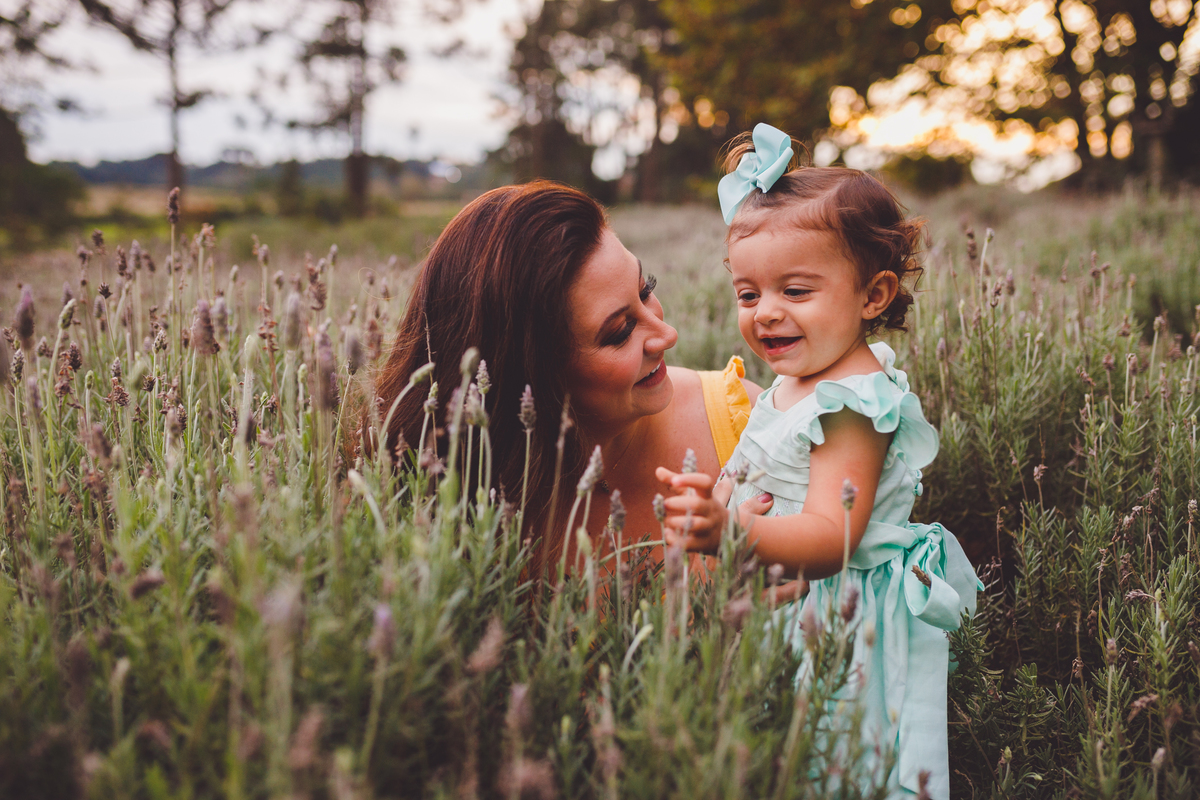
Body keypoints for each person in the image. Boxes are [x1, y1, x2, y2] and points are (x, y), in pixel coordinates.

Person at [654, 124, 981, 800]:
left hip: (841, 617)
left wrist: (731, 531)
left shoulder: (853, 403)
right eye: (749, 294)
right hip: (789, 599)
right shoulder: (803, 377)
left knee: (834, 760)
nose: (765, 314)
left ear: (872, 296)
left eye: (796, 292)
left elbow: (833, 537)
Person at [373, 180, 774, 578]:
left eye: (645, 289)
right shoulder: (451, 514)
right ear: (534, 376)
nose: (667, 335)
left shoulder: (750, 424)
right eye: (619, 332)